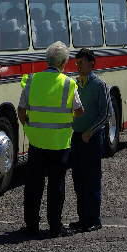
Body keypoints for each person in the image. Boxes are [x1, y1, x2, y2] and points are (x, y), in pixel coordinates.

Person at [18, 41, 84, 238]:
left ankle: (31, 225)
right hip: (59, 143)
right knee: (56, 186)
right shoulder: (69, 83)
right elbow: (79, 111)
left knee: (33, 186)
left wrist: (28, 125)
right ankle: (55, 226)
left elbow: (21, 110)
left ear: (47, 60)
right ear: (64, 62)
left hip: (36, 141)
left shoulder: (32, 80)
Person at [69, 48, 111, 233]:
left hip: (92, 139)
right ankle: (82, 218)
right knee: (78, 179)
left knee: (92, 179)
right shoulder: (75, 83)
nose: (78, 66)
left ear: (91, 64)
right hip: (76, 137)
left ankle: (94, 219)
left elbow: (106, 114)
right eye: (76, 63)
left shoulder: (99, 84)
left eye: (81, 63)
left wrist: (90, 131)